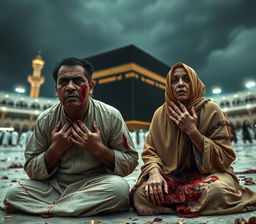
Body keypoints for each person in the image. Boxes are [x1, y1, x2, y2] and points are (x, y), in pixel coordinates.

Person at [2, 57, 138, 217]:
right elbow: (31, 167)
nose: (70, 87)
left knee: (119, 189)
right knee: (13, 193)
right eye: (64, 82)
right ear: (56, 89)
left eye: (78, 81)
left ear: (91, 87)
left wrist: (99, 149)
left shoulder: (111, 116)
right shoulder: (46, 119)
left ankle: (51, 208)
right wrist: (55, 149)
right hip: (54, 187)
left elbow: (130, 161)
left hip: (96, 184)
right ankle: (71, 207)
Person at [131, 62, 256, 217]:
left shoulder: (210, 109)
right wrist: (155, 173)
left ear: (194, 82)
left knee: (217, 191)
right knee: (141, 195)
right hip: (174, 176)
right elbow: (150, 151)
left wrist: (192, 131)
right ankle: (192, 201)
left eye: (186, 79)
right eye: (175, 80)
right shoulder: (160, 114)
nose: (180, 84)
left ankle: (177, 201)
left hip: (210, 176)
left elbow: (225, 157)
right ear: (169, 86)